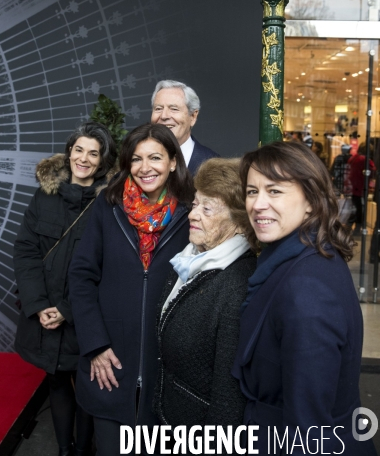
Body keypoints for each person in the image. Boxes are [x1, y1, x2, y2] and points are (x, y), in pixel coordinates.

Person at [232, 141, 377, 456]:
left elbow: (308, 429)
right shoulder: (300, 256)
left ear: (311, 201)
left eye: (275, 191)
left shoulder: (306, 289)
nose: (257, 204)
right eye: (252, 191)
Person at [68, 123, 194, 456]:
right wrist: (95, 344)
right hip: (111, 366)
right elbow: (81, 276)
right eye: (136, 159)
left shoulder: (192, 211)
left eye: (155, 157)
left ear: (172, 162)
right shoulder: (108, 206)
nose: (144, 167)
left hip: (167, 373)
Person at [14, 122, 117, 456]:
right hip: (45, 315)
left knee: (88, 383)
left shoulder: (111, 204)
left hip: (81, 317)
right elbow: (26, 250)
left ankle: (84, 449)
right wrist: (40, 304)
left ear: (102, 161)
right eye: (78, 149)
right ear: (69, 151)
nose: (83, 159)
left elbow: (109, 269)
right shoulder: (44, 195)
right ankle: (64, 448)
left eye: (93, 153)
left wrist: (68, 310)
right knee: (56, 381)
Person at [155, 158, 256, 435]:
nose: (192, 214)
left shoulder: (236, 285)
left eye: (207, 208)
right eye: (195, 204)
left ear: (239, 222)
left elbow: (228, 397)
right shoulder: (191, 259)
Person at [151, 79, 219, 175]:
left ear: (193, 117)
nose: (163, 116)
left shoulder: (214, 166)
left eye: (174, 109)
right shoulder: (136, 163)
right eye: (158, 109)